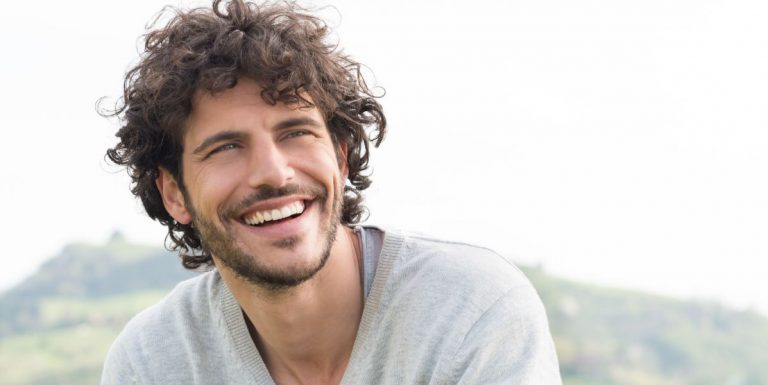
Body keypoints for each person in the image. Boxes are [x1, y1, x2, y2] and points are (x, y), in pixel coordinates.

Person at [100, 0, 562, 384]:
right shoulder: (151, 363)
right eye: (226, 147)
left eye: (296, 132)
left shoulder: (471, 311)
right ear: (174, 194)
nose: (273, 173)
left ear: (341, 157)